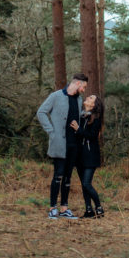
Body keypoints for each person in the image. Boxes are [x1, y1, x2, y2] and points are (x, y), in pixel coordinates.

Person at [36, 73, 88, 219]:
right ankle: (53, 208)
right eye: (83, 87)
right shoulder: (56, 96)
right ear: (77, 83)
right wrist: (51, 131)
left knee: (67, 177)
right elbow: (41, 112)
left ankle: (64, 208)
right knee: (58, 175)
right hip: (59, 143)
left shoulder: (78, 100)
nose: (84, 90)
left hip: (73, 145)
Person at [73, 94, 104, 218]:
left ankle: (99, 207)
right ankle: (88, 210)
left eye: (91, 98)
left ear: (94, 105)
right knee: (83, 184)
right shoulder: (80, 115)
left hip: (91, 155)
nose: (87, 98)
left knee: (86, 183)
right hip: (79, 155)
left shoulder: (96, 119)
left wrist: (78, 129)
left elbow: (91, 136)